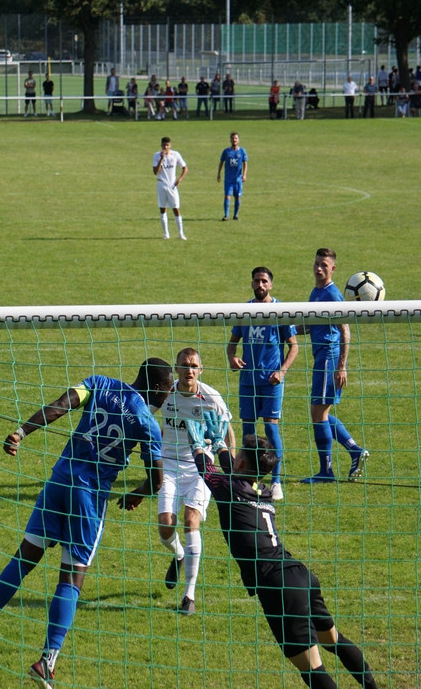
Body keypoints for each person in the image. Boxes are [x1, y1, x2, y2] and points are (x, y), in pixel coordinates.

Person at [0, 359, 174, 687]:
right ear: (158, 388)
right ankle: (46, 661)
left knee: (23, 560)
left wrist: (21, 432)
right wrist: (139, 493)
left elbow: (60, 406)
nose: (171, 392)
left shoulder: (100, 383)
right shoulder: (148, 423)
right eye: (169, 387)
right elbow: (157, 479)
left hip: (58, 482)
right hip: (87, 498)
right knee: (72, 578)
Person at [192, 433, 381, 689]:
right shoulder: (263, 491)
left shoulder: (230, 488)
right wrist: (222, 446)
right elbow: (234, 468)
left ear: (242, 465)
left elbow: (207, 469)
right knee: (333, 640)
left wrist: (197, 445)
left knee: (313, 669)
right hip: (301, 575)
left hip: (278, 585)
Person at [152, 347, 233, 615]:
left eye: (194, 365)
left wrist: (231, 468)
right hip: (170, 467)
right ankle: (179, 554)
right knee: (165, 527)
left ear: (201, 370)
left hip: (201, 467)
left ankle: (189, 595)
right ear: (176, 369)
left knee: (191, 520)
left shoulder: (211, 398)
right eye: (184, 365)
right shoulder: (165, 393)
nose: (189, 370)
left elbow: (228, 429)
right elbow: (145, 417)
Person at [226, 267, 299, 501]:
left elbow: (294, 346)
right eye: (257, 281)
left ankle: (276, 482)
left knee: (271, 427)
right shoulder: (245, 311)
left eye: (264, 281)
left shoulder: (279, 311)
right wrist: (232, 358)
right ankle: (246, 479)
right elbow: (232, 344)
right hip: (248, 381)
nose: (260, 285)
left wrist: (282, 371)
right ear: (252, 283)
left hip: (271, 382)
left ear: (271, 285)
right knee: (248, 431)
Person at [299, 248, 369, 483]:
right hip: (321, 357)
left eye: (324, 265)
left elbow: (344, 329)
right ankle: (354, 451)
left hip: (329, 356)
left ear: (333, 269)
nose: (319, 268)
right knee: (320, 412)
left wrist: (341, 366)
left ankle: (326, 472)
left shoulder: (332, 294)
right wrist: (286, 331)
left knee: (319, 413)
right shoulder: (316, 291)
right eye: (317, 263)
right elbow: (311, 325)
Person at [153, 136, 187, 241]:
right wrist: (161, 159)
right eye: (164, 145)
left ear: (170, 145)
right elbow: (155, 172)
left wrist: (179, 180)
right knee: (163, 209)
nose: (166, 147)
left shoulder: (175, 155)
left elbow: (185, 168)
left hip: (172, 186)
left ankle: (181, 233)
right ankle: (166, 233)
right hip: (161, 184)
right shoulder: (156, 156)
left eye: (167, 145)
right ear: (161, 145)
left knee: (176, 208)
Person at [217, 131, 248, 221]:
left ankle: (235, 215)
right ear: (230, 140)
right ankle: (226, 215)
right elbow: (221, 162)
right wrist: (218, 173)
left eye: (236, 138)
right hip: (228, 179)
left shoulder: (242, 151)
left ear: (239, 140)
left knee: (237, 196)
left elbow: (245, 163)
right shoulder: (226, 151)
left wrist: (244, 175)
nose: (234, 140)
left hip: (238, 179)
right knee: (227, 196)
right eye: (233, 138)